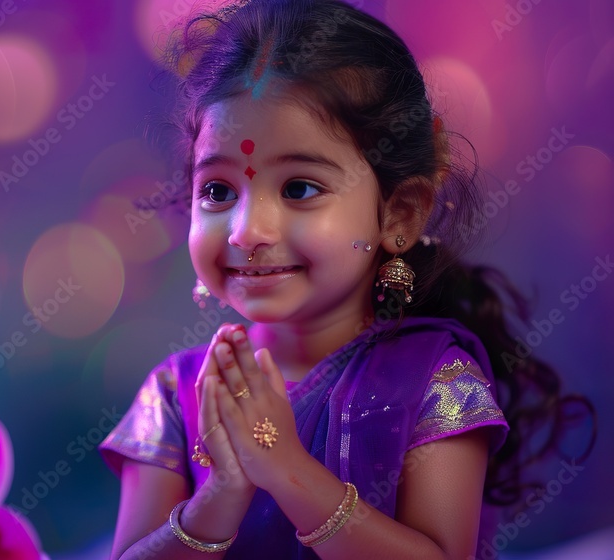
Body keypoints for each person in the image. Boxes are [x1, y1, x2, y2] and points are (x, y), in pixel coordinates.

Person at [99, 1, 593, 558]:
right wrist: (222, 492)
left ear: (399, 214)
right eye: (217, 191)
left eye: (299, 189)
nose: (246, 230)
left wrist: (285, 468)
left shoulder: (434, 380)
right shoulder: (176, 395)